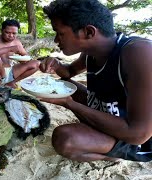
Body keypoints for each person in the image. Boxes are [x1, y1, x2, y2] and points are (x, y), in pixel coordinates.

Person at [40, 0, 152, 162]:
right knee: (63, 85)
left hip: (137, 139)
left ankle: (113, 156)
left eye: (60, 33)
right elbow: (68, 72)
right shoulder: (90, 53)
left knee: (65, 139)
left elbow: (138, 134)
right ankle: (104, 142)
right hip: (110, 116)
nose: (56, 40)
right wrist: (55, 64)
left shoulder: (140, 53)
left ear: (88, 32)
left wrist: (69, 103)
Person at [0, 19, 40, 88]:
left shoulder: (16, 42)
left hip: (11, 71)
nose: (11, 36)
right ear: (1, 30)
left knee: (36, 63)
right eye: (7, 32)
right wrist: (9, 49)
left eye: (14, 33)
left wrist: (23, 57)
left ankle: (11, 83)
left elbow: (27, 58)